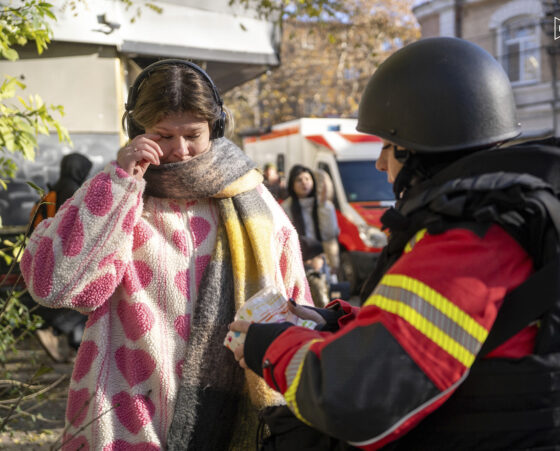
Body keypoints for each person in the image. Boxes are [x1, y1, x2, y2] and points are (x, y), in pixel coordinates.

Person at [229, 37, 560, 450]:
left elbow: (355, 397)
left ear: (418, 150)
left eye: (387, 147)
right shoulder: (546, 210)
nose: (379, 163)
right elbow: (449, 332)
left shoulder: (469, 240)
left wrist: (268, 344)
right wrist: (335, 323)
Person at [20, 59, 312, 450]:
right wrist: (118, 184)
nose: (179, 150)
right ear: (136, 131)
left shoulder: (256, 202)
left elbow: (298, 306)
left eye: (193, 134)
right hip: (126, 415)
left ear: (217, 126)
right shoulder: (119, 192)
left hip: (235, 419)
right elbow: (56, 287)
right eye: (163, 135)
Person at [30, 153, 93, 362]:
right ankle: (54, 329)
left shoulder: (55, 187)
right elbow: (76, 226)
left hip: (48, 253)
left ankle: (75, 348)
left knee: (70, 298)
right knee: (88, 296)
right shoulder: (72, 190)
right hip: (69, 254)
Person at [282, 165, 341, 275]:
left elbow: (329, 234)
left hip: (323, 261)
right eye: (299, 180)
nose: (304, 183)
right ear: (292, 184)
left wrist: (323, 207)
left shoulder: (324, 206)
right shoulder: (285, 208)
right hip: (296, 264)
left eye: (307, 179)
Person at [299, 236, 331, 308]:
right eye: (320, 257)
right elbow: (324, 306)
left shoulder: (299, 276)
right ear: (308, 260)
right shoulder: (315, 279)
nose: (323, 261)